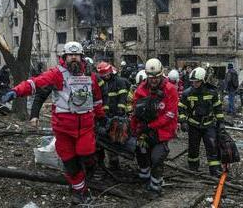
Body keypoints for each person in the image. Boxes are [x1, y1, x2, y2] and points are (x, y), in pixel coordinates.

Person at [1, 42, 106, 204]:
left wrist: (101, 117)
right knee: (70, 163)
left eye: (76, 55)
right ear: (64, 57)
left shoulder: (90, 76)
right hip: (64, 129)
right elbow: (35, 83)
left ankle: (86, 174)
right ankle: (80, 191)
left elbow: (97, 99)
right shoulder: (57, 74)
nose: (73, 58)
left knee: (87, 156)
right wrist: (16, 91)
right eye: (70, 55)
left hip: (85, 127)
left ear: (81, 57)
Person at [131, 58, 178, 193]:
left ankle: (155, 186)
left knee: (157, 158)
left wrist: (151, 126)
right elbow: (135, 112)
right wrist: (134, 129)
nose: (154, 80)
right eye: (151, 77)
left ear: (161, 74)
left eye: (156, 77)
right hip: (144, 129)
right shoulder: (140, 90)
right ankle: (144, 177)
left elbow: (169, 115)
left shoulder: (170, 90)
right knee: (141, 152)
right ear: (146, 75)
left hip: (162, 131)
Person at [178, 67, 224, 176]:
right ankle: (193, 167)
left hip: (209, 124)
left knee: (212, 146)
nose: (195, 83)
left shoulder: (212, 93)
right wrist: (183, 121)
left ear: (203, 80)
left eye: (197, 81)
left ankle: (215, 169)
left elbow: (218, 108)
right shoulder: (187, 93)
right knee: (193, 147)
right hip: (193, 124)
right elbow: (181, 108)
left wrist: (221, 122)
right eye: (193, 81)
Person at [96, 61, 128, 170]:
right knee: (99, 140)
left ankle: (114, 163)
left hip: (115, 115)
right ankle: (100, 164)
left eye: (107, 73)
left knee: (113, 140)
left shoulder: (119, 81)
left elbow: (123, 96)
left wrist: (120, 108)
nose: (106, 76)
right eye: (103, 74)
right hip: (102, 115)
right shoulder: (99, 82)